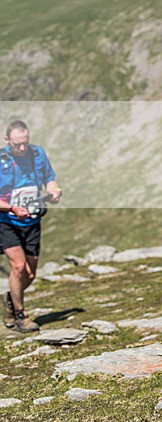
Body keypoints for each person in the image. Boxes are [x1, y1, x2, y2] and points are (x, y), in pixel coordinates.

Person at [0, 120, 62, 333]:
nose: (22, 148)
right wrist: (11, 208)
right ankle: (21, 316)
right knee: (18, 267)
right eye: (17, 144)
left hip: (32, 221)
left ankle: (11, 296)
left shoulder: (37, 154)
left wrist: (54, 191)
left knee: (30, 274)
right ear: (7, 140)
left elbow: (50, 180)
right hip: (6, 221)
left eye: (25, 143)